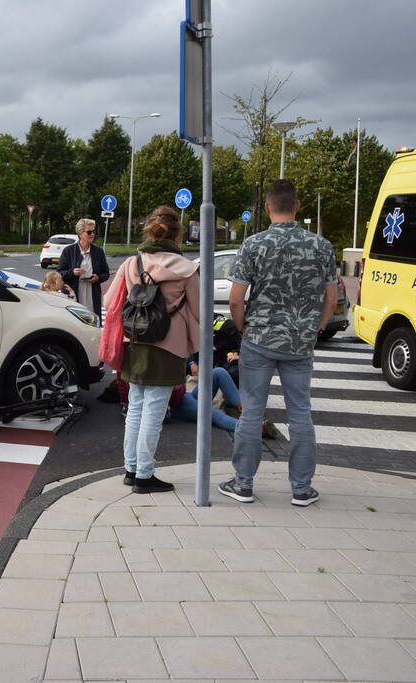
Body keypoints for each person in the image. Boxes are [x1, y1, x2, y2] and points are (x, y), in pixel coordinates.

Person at [218, 180, 337, 507]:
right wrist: (317, 328)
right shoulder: (321, 246)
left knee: (252, 411)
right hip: (300, 342)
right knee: (300, 413)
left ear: (267, 207)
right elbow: (332, 297)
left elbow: (235, 301)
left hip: (259, 339)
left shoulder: (254, 245)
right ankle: (301, 488)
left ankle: (243, 483)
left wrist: (245, 329)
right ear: (297, 206)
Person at [103, 206, 199, 494]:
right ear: (177, 233)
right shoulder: (186, 269)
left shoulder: (132, 263)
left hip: (134, 342)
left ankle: (131, 469)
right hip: (168, 347)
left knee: (135, 408)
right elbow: (199, 310)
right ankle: (145, 475)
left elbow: (110, 300)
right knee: (154, 413)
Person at [172, 365, 278, 437]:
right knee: (214, 414)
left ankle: (244, 410)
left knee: (219, 372)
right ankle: (255, 429)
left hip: (183, 395)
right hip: (175, 405)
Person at [58, 218, 110, 320]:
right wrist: (72, 272)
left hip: (92, 293)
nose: (92, 234)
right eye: (89, 232)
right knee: (75, 322)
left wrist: (98, 278)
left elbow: (106, 273)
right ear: (80, 234)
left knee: (92, 321)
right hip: (74, 294)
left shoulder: (98, 252)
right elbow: (59, 273)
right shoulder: (68, 251)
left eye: (94, 231)